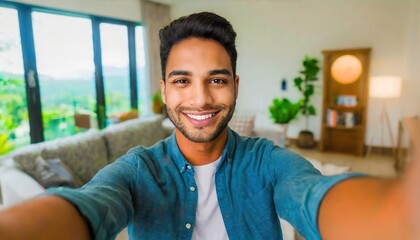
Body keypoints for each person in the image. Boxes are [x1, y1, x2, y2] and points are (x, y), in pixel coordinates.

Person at [0, 11, 419, 240]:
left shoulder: (268, 162)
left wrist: (398, 216)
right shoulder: (137, 170)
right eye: (183, 81)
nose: (200, 99)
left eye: (216, 80)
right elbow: (90, 205)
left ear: (235, 86)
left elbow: (314, 196)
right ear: (164, 90)